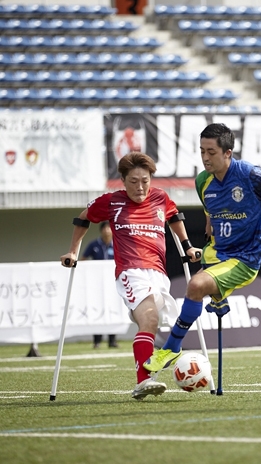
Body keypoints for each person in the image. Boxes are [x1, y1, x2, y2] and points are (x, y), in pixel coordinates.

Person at [144, 123, 261, 372]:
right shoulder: (203, 181)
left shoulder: (250, 174)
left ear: (228, 152)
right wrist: (209, 223)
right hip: (215, 252)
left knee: (195, 285)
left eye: (211, 152)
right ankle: (219, 298)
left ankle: (171, 348)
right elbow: (210, 207)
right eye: (201, 151)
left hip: (244, 258)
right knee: (201, 285)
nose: (205, 158)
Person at [61, 152, 201, 400]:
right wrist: (73, 250)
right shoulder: (111, 201)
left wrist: (188, 245)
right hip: (130, 270)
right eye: (134, 181)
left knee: (152, 323)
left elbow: (174, 217)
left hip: (158, 272)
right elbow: (83, 218)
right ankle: (143, 381)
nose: (140, 187)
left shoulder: (160, 197)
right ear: (123, 181)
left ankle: (152, 364)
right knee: (149, 320)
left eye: (145, 180)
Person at [81, 221, 118, 349]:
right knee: (97, 309)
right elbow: (83, 259)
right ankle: (97, 341)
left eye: (109, 228)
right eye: (105, 228)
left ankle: (112, 340)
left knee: (113, 309)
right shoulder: (94, 244)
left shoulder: (118, 244)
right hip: (96, 284)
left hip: (114, 283)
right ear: (101, 230)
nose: (107, 231)